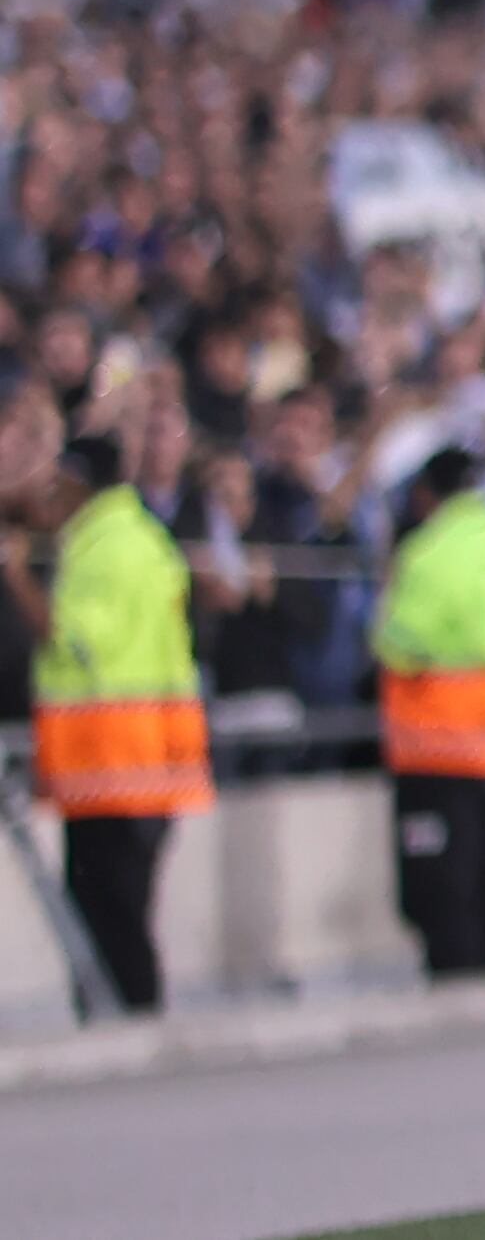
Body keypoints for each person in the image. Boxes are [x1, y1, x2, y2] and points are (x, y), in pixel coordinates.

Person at [6, 432, 208, 1012]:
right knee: (125, 909)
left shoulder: (103, 548)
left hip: (110, 761)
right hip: (143, 759)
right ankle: (134, 1014)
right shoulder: (139, 536)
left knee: (106, 912)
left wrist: (16, 574)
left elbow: (74, 643)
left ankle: (125, 1020)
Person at [372, 446, 485, 977]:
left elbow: (397, 642)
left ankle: (459, 976)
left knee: (445, 881)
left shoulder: (428, 552)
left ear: (429, 493)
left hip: (437, 741)